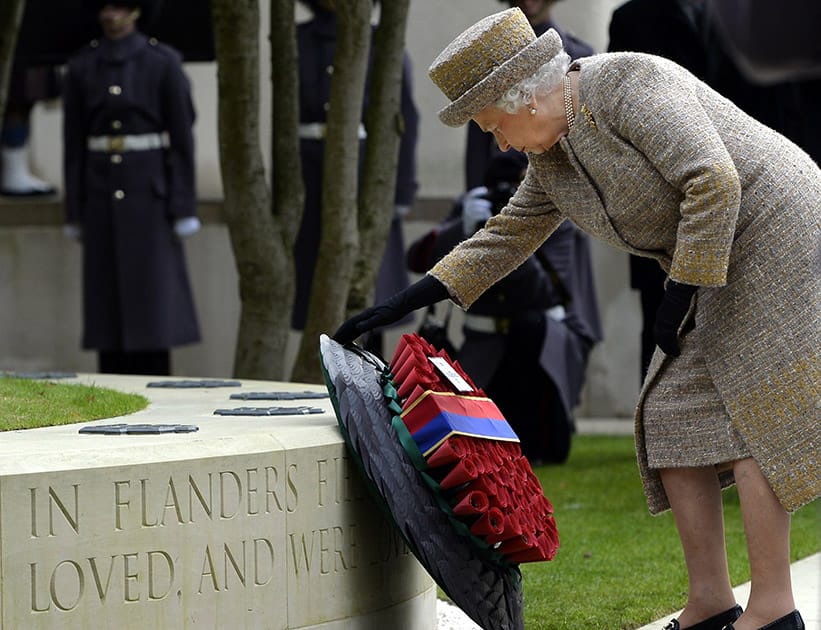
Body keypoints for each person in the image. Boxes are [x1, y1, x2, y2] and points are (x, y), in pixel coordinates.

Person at [335, 7, 819, 630]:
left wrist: (679, 291)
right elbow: (505, 236)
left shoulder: (627, 83)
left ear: (524, 98)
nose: (499, 144)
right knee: (671, 414)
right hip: (713, 254)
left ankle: (773, 613)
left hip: (778, 231)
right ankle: (710, 604)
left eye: (493, 126)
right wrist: (409, 299)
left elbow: (714, 180)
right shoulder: (554, 159)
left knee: (755, 412)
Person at [407, 151, 601, 464]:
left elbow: (547, 291)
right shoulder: (469, 209)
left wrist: (507, 237)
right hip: (485, 342)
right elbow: (417, 259)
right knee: (481, 441)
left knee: (544, 447)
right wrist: (464, 229)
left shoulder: (551, 208)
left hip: (539, 341)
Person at [62, 0, 201, 376]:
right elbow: (73, 145)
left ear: (137, 10)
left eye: (120, 7)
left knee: (152, 302)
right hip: (100, 195)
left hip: (150, 196)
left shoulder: (162, 62)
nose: (110, 15)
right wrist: (74, 209)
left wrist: (183, 205)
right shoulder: (81, 66)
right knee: (108, 307)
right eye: (105, 7)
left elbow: (182, 139)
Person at [293, 0, 419, 354]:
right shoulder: (297, 41)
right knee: (318, 287)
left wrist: (400, 190)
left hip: (366, 175)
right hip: (311, 176)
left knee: (370, 288)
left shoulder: (381, 42)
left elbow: (404, 120)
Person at [607, 0, 709, 384]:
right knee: (660, 321)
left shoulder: (721, 18)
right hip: (658, 201)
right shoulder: (636, 18)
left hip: (716, 193)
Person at [465, 0, 593, 190]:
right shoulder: (491, 57)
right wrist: (476, 189)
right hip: (505, 182)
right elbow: (482, 132)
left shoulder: (578, 53)